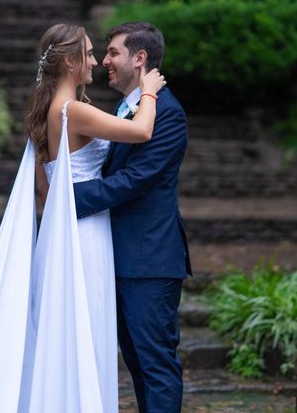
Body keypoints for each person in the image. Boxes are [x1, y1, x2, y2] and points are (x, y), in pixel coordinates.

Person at [0, 22, 165, 413]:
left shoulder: (46, 112)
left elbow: (46, 191)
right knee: (84, 329)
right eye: (89, 54)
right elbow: (140, 132)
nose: (95, 61)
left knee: (62, 330)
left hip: (62, 233)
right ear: (71, 61)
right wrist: (150, 93)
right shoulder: (73, 111)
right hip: (87, 235)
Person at [73, 21, 191, 413]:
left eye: (113, 53)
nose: (104, 61)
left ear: (139, 59)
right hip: (117, 257)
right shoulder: (127, 110)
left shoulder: (168, 113)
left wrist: (67, 199)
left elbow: (135, 179)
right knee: (136, 366)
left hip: (149, 262)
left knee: (155, 365)